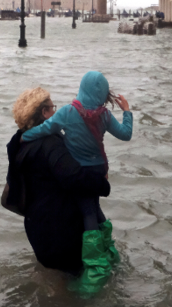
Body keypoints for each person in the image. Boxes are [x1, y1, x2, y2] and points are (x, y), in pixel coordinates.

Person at [20, 71, 132, 292]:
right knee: (95, 208)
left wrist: (24, 137)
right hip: (100, 170)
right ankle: (110, 251)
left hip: (81, 172)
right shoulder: (104, 116)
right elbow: (125, 134)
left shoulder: (68, 112)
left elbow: (46, 128)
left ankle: (94, 266)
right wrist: (127, 112)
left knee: (88, 211)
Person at [5, 87, 111, 278]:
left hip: (37, 229)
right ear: (44, 113)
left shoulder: (20, 143)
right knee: (74, 285)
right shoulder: (50, 144)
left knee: (53, 282)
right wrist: (103, 184)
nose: (55, 112)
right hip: (61, 233)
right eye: (52, 107)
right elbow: (74, 177)